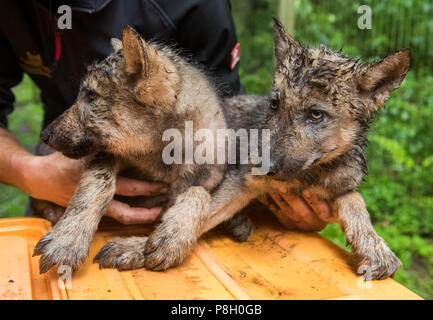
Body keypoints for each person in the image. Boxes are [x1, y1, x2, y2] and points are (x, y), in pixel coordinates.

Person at [0, 0, 331, 230]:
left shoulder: (194, 6)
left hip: (172, 198)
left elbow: (228, 127)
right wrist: (29, 172)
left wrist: (279, 200)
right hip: (58, 177)